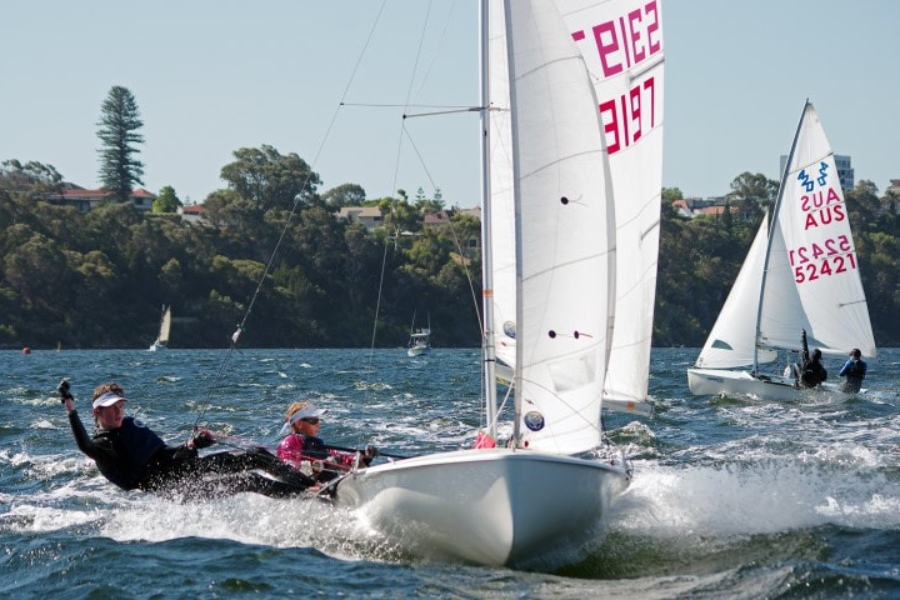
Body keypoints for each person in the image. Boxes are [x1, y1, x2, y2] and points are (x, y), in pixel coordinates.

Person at [62, 381, 313, 500]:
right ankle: (306, 498)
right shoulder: (103, 445)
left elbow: (166, 455)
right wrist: (70, 408)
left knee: (254, 455)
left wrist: (192, 446)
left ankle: (310, 485)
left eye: (120, 406)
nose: (117, 412)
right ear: (96, 412)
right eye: (110, 408)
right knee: (250, 480)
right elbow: (84, 446)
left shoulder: (129, 426)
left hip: (184, 470)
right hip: (175, 489)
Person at [277, 401, 377, 483]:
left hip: (326, 490)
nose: (318, 425)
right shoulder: (290, 442)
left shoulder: (320, 446)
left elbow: (344, 459)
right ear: (299, 423)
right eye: (313, 421)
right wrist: (318, 466)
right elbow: (289, 471)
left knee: (336, 460)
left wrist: (365, 457)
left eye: (318, 421)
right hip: (307, 491)